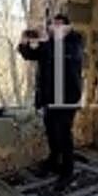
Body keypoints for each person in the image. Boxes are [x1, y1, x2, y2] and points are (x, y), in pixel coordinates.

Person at [18, 12, 85, 186]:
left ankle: (68, 170)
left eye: (59, 25)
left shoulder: (74, 42)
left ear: (67, 27)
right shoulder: (50, 43)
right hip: (49, 97)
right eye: (53, 24)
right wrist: (24, 40)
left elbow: (65, 56)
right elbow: (30, 55)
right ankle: (54, 160)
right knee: (51, 131)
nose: (54, 28)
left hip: (67, 98)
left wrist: (46, 39)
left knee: (64, 134)